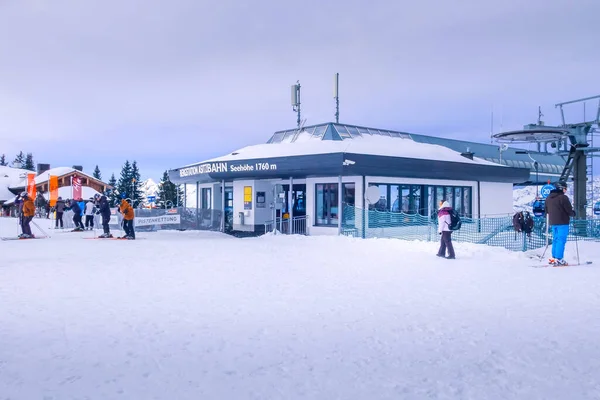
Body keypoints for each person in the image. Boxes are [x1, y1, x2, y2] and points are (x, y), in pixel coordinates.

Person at [544, 181, 575, 266]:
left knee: (556, 239)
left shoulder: (548, 198)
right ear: (561, 188)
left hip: (553, 222)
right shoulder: (563, 198)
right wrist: (573, 213)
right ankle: (559, 259)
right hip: (563, 222)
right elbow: (569, 210)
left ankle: (553, 258)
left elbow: (546, 211)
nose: (566, 190)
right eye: (565, 188)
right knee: (561, 240)